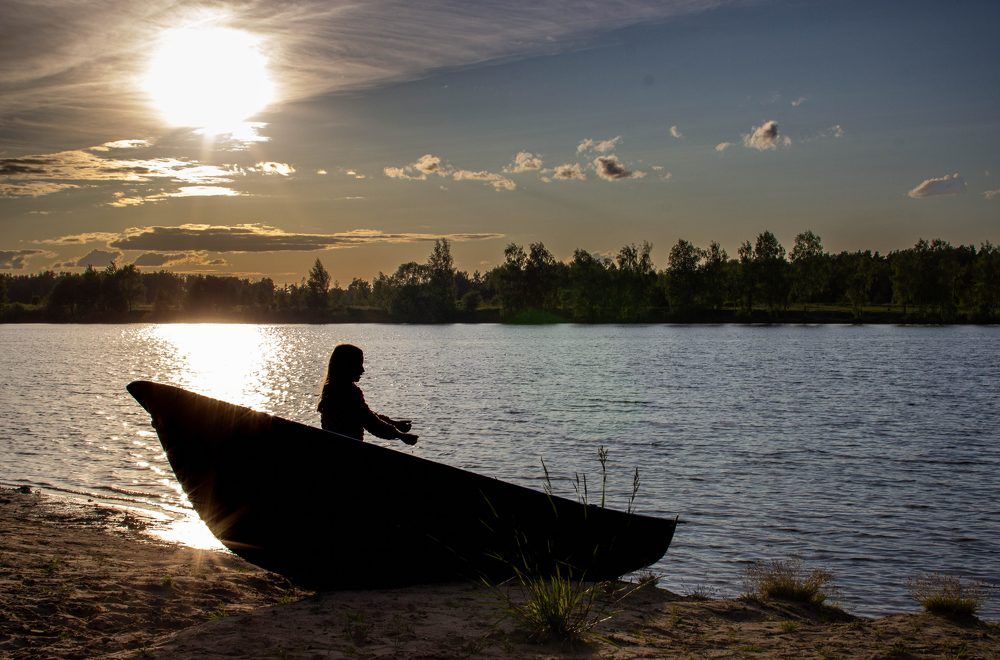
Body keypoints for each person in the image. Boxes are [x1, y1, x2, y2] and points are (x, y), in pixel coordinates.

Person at [317, 343, 418, 446]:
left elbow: (365, 414)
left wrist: (394, 424)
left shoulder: (330, 389)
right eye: (358, 365)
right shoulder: (348, 392)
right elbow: (371, 422)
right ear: (347, 366)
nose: (362, 370)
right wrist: (400, 435)